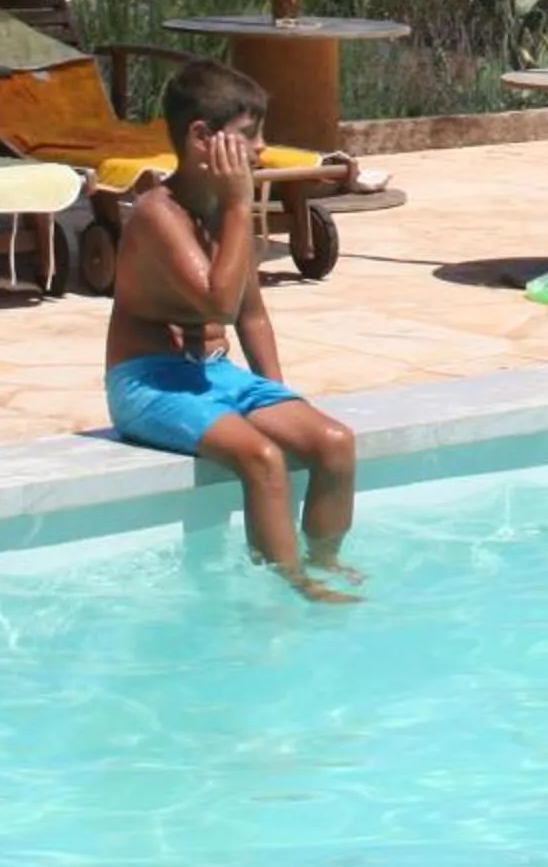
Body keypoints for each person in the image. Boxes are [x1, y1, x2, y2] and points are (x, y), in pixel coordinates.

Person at [105, 59, 360, 603]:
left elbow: (251, 315)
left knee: (334, 443)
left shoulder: (221, 212)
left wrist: (281, 397)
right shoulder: (158, 214)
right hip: (147, 383)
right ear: (202, 138)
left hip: (215, 376)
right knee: (261, 459)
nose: (262, 148)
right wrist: (242, 207)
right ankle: (290, 586)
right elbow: (218, 304)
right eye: (250, 134)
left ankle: (324, 560)